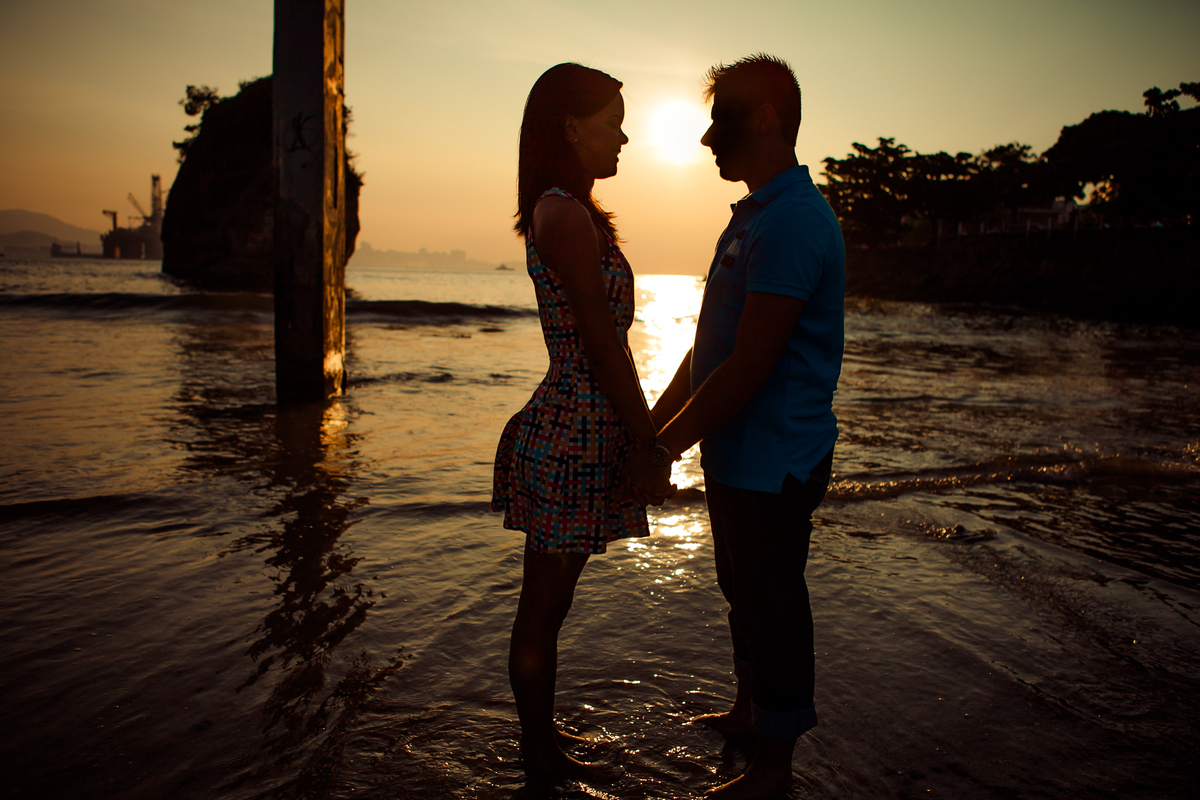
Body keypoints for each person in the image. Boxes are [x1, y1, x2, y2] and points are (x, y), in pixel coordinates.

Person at [629, 54, 844, 799]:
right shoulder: (755, 215)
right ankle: (751, 711)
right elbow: (707, 344)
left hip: (776, 456)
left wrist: (662, 449)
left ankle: (775, 771)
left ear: (763, 119)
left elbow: (750, 366)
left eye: (720, 119)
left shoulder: (791, 222)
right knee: (741, 587)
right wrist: (650, 422)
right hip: (736, 452)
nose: (705, 138)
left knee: (773, 601)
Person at [491, 63, 674, 775]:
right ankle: (539, 756)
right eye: (613, 122)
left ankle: (544, 745)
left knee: (551, 605)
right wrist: (648, 439)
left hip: (579, 426)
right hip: (571, 432)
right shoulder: (561, 211)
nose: (625, 137)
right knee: (542, 607)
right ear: (571, 128)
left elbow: (604, 343)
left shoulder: (572, 210)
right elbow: (600, 343)